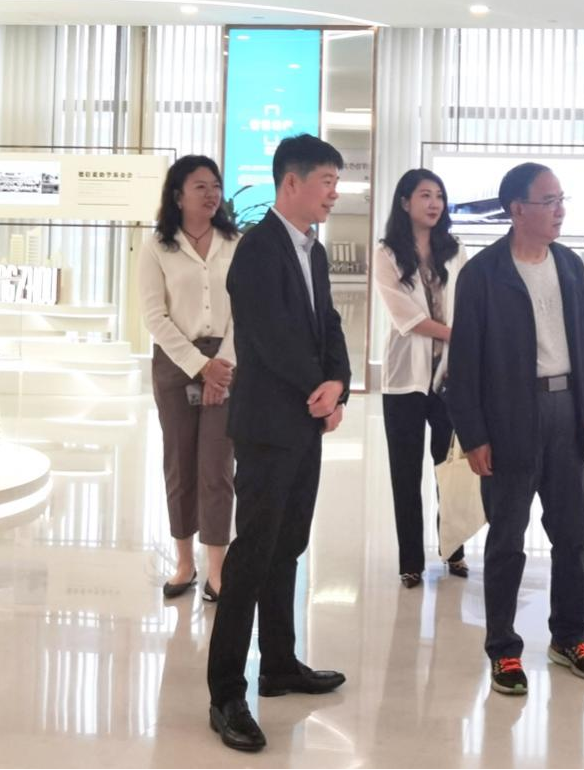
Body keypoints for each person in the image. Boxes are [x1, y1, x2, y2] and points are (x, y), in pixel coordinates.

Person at [206, 134, 351, 752]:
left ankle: (280, 663)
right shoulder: (257, 250)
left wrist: (338, 383)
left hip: (306, 420)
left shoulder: (312, 250)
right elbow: (268, 337)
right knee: (252, 556)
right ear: (291, 183)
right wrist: (320, 386)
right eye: (326, 182)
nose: (334, 193)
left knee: (288, 545)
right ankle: (225, 694)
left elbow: (328, 324)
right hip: (268, 425)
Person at [446, 162, 584, 697]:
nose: (559, 210)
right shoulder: (484, 274)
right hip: (509, 418)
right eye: (548, 201)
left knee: (572, 535)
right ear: (517, 209)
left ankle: (569, 638)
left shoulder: (570, 266)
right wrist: (473, 435)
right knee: (507, 540)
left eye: (562, 200)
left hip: (566, 411)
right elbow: (463, 363)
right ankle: (503, 649)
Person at [139, 155, 238, 603]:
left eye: (215, 185)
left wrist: (222, 366)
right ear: (178, 195)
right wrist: (200, 366)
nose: (211, 193)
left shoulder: (235, 243)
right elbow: (154, 316)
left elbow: (244, 311)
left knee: (217, 466)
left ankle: (217, 569)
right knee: (179, 462)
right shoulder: (157, 247)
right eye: (201, 186)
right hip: (176, 362)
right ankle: (184, 563)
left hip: (227, 363)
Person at [375, 169, 470, 589]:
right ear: (404, 202)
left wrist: (462, 343)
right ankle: (410, 561)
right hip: (405, 379)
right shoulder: (387, 253)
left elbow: (467, 302)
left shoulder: (455, 250)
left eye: (439, 196)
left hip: (450, 375)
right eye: (425, 195)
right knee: (405, 470)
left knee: (450, 468)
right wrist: (454, 334)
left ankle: (454, 549)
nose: (434, 203)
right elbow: (405, 316)